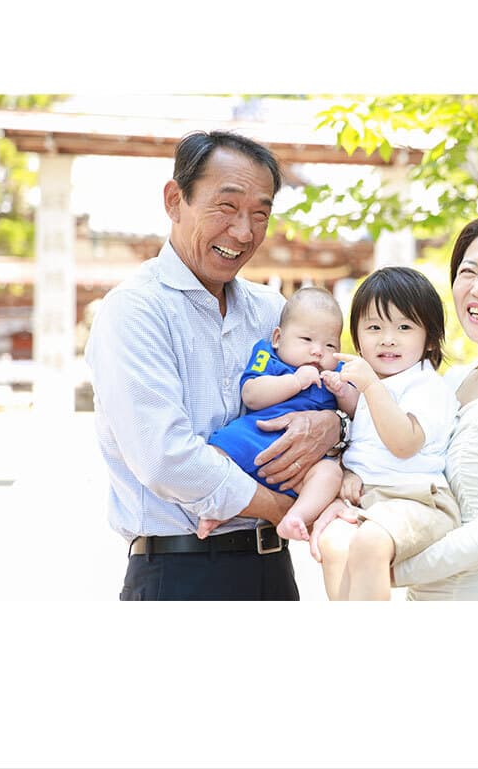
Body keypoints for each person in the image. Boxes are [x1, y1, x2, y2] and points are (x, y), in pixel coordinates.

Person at [85, 130, 348, 601]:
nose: (244, 233)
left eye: (260, 214)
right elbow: (166, 459)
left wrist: (333, 427)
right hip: (178, 572)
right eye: (226, 207)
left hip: (274, 569)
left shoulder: (274, 313)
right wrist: (283, 508)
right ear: (175, 200)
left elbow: (337, 391)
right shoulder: (135, 310)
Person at [310, 215, 478, 600]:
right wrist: (349, 490)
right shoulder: (453, 382)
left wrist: (384, 564)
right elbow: (400, 465)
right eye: (468, 272)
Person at [313, 266, 460, 601]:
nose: (388, 338)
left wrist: (369, 386)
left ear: (430, 338)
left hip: (420, 500)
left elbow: (403, 444)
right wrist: (348, 472)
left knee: (369, 543)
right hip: (371, 501)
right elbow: (365, 443)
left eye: (404, 327)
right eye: (374, 327)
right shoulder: (374, 386)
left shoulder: (426, 386)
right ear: (357, 338)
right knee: (333, 541)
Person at [203, 286, 351, 542]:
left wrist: (343, 391)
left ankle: (296, 517)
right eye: (307, 340)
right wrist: (295, 381)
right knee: (212, 457)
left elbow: (357, 412)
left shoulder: (336, 372)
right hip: (256, 436)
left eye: (330, 345)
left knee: (330, 475)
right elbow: (251, 394)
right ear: (277, 338)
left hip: (304, 461)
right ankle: (218, 509)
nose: (318, 351)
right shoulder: (268, 357)